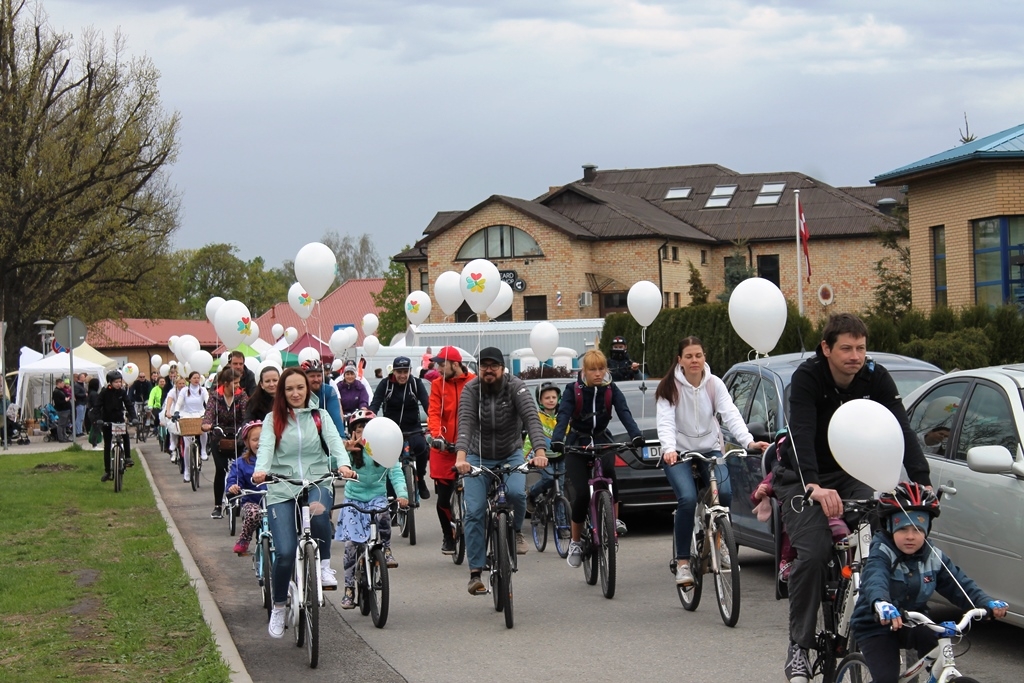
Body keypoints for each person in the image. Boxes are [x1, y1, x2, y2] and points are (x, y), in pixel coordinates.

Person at [776, 313, 932, 683]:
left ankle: (906, 635)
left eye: (860, 348)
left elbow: (901, 428)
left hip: (854, 473)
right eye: (846, 348)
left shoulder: (875, 377)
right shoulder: (808, 377)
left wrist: (920, 481)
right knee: (813, 554)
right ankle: (798, 645)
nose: (855, 355)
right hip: (803, 476)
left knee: (892, 545)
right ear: (826, 349)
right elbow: (799, 434)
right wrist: (813, 485)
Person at [851, 482, 1008, 683]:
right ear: (890, 528)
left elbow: (959, 584)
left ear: (926, 530)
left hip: (914, 622)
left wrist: (985, 603)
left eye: (917, 529)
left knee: (939, 655)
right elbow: (875, 579)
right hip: (876, 625)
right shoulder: (881, 553)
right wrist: (881, 603)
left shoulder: (933, 556)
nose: (910, 536)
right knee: (886, 679)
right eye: (902, 529)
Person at [655, 336, 769, 587]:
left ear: (704, 357)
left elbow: (731, 414)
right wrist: (669, 449)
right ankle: (683, 562)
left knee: (725, 494)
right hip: (679, 453)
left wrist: (748, 442)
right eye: (688, 356)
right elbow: (665, 422)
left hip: (710, 449)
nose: (694, 360)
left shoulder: (714, 384)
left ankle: (718, 541)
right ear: (679, 360)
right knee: (686, 498)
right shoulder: (669, 387)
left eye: (698, 355)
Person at [252, 367, 353, 639]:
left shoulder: (320, 417)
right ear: (282, 393)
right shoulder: (273, 418)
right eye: (289, 389)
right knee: (284, 552)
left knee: (320, 516)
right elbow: (264, 449)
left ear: (308, 390)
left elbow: (334, 442)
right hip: (282, 486)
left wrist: (343, 464)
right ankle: (279, 607)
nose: (296, 393)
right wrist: (261, 471)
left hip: (316, 480)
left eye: (300, 388)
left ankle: (322, 567)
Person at [454, 346, 548, 595]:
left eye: (493, 366)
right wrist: (461, 457)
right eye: (483, 366)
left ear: (502, 369)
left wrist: (539, 452)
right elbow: (465, 423)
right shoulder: (471, 389)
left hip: (511, 453)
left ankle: (515, 531)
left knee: (517, 494)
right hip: (477, 456)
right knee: (473, 511)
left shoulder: (516, 386)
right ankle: (475, 572)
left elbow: (531, 418)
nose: (488, 370)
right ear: (478, 369)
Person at [551, 349, 645, 568]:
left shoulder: (611, 389)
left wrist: (636, 435)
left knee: (611, 475)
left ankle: (614, 519)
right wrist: (558, 440)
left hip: (602, 438)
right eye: (593, 369)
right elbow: (563, 415)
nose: (597, 373)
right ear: (585, 370)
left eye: (601, 369)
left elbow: (624, 413)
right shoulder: (572, 390)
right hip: (577, 442)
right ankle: (575, 542)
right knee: (582, 494)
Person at [336, 409, 408, 609]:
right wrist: (345, 453)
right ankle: (349, 589)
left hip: (377, 496)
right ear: (353, 433)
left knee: (383, 514)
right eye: (359, 430)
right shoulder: (350, 451)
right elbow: (334, 463)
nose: (363, 435)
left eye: (368, 430)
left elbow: (396, 473)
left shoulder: (384, 450)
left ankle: (385, 549)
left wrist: (402, 495)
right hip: (354, 499)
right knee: (351, 546)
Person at [426, 346, 475, 555]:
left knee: (478, 496)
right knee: (443, 500)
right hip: (444, 448)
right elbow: (434, 412)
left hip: (470, 446)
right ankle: (448, 534)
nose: (438, 368)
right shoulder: (437, 384)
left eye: (442, 364)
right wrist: (437, 436)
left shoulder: (473, 381)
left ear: (455, 364)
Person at [370, 356, 431, 501]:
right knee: (391, 465)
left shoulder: (416, 384)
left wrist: (435, 421)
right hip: (390, 431)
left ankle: (420, 478)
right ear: (394, 372)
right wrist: (369, 418)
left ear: (410, 371)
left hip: (413, 428)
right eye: (399, 372)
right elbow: (375, 404)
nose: (402, 375)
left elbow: (427, 404)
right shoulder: (385, 384)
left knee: (423, 448)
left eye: (405, 372)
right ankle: (391, 499)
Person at [202, 368, 248, 519]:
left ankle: (242, 501)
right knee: (221, 470)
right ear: (226, 383)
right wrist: (207, 424)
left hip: (238, 436)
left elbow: (246, 414)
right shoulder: (215, 396)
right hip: (219, 436)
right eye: (235, 383)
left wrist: (247, 425)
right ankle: (217, 506)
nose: (238, 385)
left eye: (238, 382)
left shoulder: (241, 396)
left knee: (241, 469)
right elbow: (209, 412)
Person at [226, 420, 268, 555]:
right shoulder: (241, 463)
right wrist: (232, 487)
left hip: (274, 500)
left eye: (264, 439)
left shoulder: (276, 459)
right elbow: (233, 479)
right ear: (247, 443)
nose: (259, 443)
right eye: (255, 440)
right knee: (253, 513)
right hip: (252, 502)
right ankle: (245, 538)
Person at [524, 382, 563, 507]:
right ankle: (532, 493)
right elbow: (530, 439)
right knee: (550, 479)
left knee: (560, 490)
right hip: (544, 458)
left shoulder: (563, 416)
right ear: (540, 400)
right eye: (547, 398)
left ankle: (561, 524)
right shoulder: (536, 417)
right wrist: (526, 456)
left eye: (553, 397)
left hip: (561, 457)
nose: (551, 400)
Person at [97, 371, 137, 481]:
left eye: (120, 382)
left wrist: (133, 418)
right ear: (110, 382)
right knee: (107, 444)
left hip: (119, 420)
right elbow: (97, 406)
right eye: (116, 382)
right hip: (107, 421)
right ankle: (107, 471)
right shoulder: (104, 393)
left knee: (125, 436)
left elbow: (129, 405)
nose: (119, 384)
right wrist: (98, 419)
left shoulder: (122, 392)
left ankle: (128, 457)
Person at [175, 371, 211, 479]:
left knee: (204, 429)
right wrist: (176, 411)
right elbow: (179, 403)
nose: (196, 379)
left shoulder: (203, 390)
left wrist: (210, 412)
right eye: (194, 378)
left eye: (198, 378)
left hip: (200, 413)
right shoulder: (185, 391)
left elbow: (208, 402)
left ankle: (203, 450)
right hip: (187, 415)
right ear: (189, 379)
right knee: (186, 446)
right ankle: (187, 470)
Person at [302, 359, 345, 437]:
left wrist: (341, 438)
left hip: (324, 433)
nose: (316, 379)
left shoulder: (329, 391)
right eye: (312, 376)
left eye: (319, 376)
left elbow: (335, 417)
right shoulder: (299, 393)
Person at [164, 376, 187, 460]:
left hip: (186, 411)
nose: (182, 385)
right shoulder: (172, 392)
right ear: (176, 384)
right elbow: (169, 402)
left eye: (183, 383)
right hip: (175, 411)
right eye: (180, 383)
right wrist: (168, 411)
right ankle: (173, 447)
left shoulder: (188, 391)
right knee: (173, 426)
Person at [148, 376, 168, 451]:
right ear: (158, 382)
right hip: (157, 407)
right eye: (161, 382)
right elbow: (151, 398)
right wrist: (150, 406)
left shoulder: (167, 389)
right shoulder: (155, 389)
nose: (162, 383)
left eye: (163, 381)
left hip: (165, 408)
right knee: (157, 416)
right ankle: (156, 427)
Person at [52, 377, 72, 442]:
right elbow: (57, 402)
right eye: (62, 383)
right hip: (62, 410)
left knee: (64, 424)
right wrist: (65, 400)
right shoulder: (56, 392)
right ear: (59, 383)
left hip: (66, 409)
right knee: (61, 424)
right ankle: (61, 438)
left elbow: (66, 394)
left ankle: (64, 436)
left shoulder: (62, 390)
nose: (64, 384)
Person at [86, 377, 103, 450]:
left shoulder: (91, 393)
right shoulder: (94, 394)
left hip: (91, 412)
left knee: (95, 428)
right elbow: (96, 404)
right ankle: (94, 444)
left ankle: (95, 443)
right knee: (96, 428)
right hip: (94, 413)